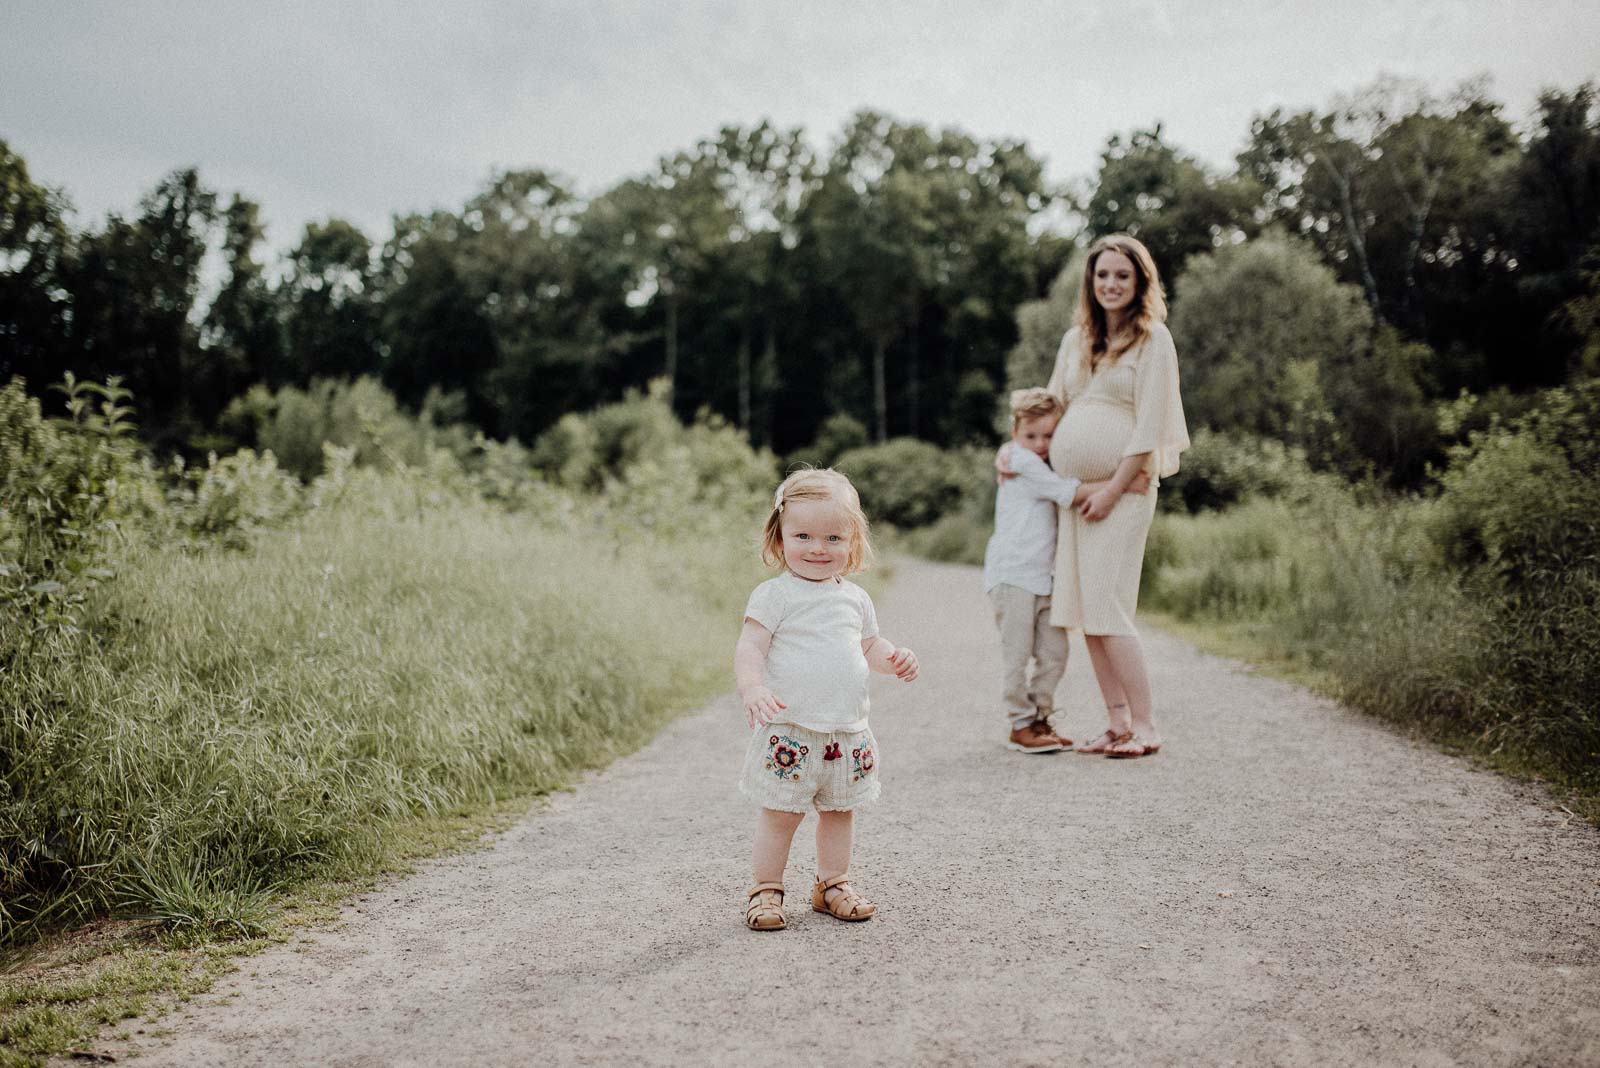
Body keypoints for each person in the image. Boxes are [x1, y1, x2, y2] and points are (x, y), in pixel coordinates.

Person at [1003, 233, 1189, 758]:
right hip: (1078, 500)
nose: (1111, 284)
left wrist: (1111, 488)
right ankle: (1117, 723)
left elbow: (1150, 425)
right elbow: (1049, 408)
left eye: (1122, 276)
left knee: (1109, 607)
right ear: (1091, 282)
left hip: (1122, 493)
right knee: (1086, 612)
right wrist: (1011, 447)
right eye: (1102, 275)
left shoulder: (1153, 341)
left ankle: (1147, 725)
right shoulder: (1074, 341)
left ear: (1140, 283)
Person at [734, 468, 919, 931]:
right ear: (779, 537)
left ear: (853, 540)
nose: (818, 548)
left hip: (846, 731)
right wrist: (753, 686)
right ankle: (766, 889)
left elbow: (868, 646)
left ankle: (832, 884)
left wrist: (892, 657)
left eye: (834, 537)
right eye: (804, 536)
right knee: (781, 815)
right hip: (791, 732)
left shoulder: (855, 599)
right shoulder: (774, 595)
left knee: (840, 813)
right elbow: (750, 647)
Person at [984, 388, 1149, 753]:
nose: (1041, 444)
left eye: (1049, 436)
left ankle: (1040, 717)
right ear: (1015, 434)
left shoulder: (1032, 459)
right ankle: (1020, 723)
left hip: (1044, 578)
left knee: (1055, 651)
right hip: (1012, 576)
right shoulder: (1019, 461)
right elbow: (1064, 492)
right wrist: (1123, 485)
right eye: (1031, 436)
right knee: (1017, 653)